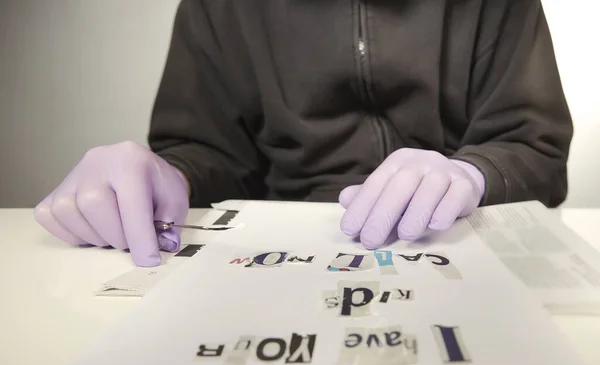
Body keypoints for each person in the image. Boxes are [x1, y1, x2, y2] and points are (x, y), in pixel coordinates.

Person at [33, 0, 573, 267]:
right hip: (275, 252)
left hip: (458, 242)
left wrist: (473, 174)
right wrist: (167, 172)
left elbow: (536, 151)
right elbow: (210, 151)